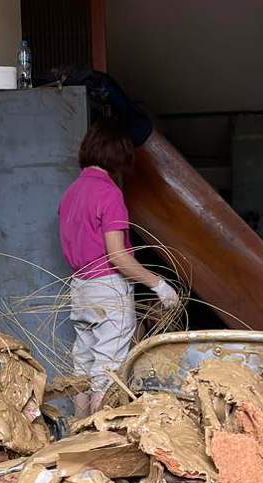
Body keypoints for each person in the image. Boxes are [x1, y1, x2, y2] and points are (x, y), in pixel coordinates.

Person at [59, 117, 179, 417]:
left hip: (80, 289)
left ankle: (78, 433)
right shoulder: (109, 194)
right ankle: (99, 437)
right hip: (108, 290)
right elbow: (118, 257)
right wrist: (159, 285)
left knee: (83, 368)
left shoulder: (71, 193)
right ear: (120, 153)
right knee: (107, 371)